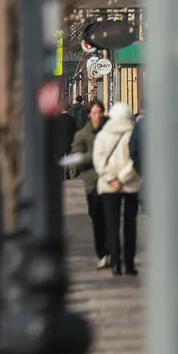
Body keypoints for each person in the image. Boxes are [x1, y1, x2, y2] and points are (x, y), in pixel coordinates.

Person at [94, 101, 141, 276]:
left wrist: (111, 178)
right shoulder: (133, 134)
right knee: (130, 225)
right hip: (130, 184)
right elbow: (136, 158)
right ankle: (129, 264)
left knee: (111, 225)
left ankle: (115, 264)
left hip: (108, 186)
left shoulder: (103, 135)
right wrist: (123, 178)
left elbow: (98, 160)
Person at [70, 100, 109, 268]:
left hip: (109, 180)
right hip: (92, 183)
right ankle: (102, 252)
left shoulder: (109, 131)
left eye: (100, 112)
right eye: (94, 112)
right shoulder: (82, 135)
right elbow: (77, 159)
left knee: (111, 219)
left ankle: (111, 253)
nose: (98, 115)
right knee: (97, 219)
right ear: (88, 114)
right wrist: (95, 155)